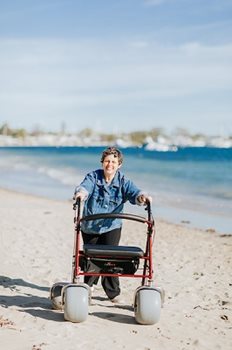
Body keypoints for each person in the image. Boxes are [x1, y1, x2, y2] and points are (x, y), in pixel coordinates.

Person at [74, 146, 152, 303]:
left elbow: (134, 192)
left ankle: (113, 292)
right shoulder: (93, 177)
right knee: (92, 257)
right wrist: (81, 194)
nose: (110, 164)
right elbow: (85, 187)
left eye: (114, 162)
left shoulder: (123, 181)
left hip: (112, 225)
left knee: (110, 257)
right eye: (107, 161)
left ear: (119, 164)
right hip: (91, 225)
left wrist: (142, 197)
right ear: (102, 162)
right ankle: (88, 287)